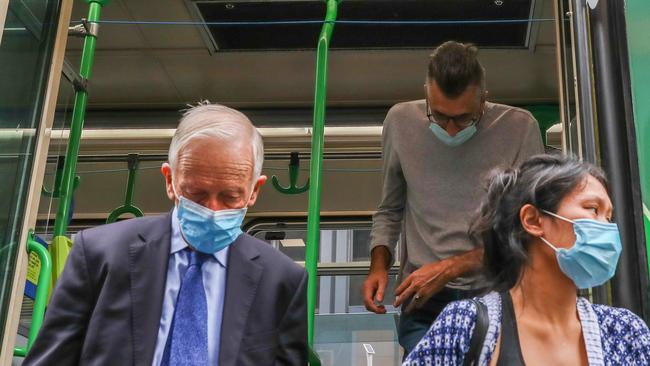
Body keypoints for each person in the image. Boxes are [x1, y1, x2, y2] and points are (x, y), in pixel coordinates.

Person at [24, 103, 308, 366]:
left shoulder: (281, 281)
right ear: (170, 180)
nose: (212, 209)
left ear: (254, 191)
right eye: (196, 194)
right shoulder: (99, 254)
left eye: (230, 196)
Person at [363, 40, 545, 355]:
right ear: (426, 96)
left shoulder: (519, 128)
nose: (449, 129)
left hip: (496, 293)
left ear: (483, 100)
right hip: (423, 301)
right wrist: (378, 265)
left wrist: (450, 267)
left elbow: (528, 232)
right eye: (438, 116)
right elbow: (390, 210)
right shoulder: (400, 122)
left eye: (463, 119)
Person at [404, 154, 650, 365]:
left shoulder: (626, 333)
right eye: (592, 209)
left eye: (608, 217)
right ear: (532, 220)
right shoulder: (464, 326)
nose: (607, 229)